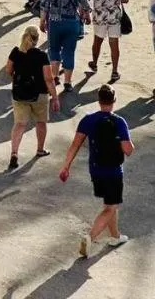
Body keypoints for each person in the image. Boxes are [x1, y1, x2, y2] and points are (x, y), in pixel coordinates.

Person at [59, 84, 134, 256]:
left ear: (98, 100)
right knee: (110, 207)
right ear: (114, 101)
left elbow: (75, 144)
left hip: (96, 170)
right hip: (114, 171)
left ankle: (115, 236)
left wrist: (66, 166)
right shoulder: (119, 122)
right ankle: (90, 237)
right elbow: (128, 150)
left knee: (110, 205)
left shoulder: (88, 120)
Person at [6, 25, 59, 169]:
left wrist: (17, 79)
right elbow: (48, 79)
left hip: (19, 94)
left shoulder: (16, 52)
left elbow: (8, 70)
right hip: (39, 94)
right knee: (41, 122)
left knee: (19, 124)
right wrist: (55, 97)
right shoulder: (42, 55)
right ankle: (40, 149)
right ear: (37, 39)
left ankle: (14, 153)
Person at [40, 0, 91, 92]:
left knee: (54, 49)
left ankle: (55, 77)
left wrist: (42, 21)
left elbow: (45, 4)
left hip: (55, 22)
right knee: (69, 52)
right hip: (72, 22)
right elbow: (85, 4)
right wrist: (87, 16)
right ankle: (67, 82)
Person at [87, 0, 129, 84]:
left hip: (99, 18)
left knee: (97, 42)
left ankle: (94, 64)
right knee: (114, 45)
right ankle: (114, 71)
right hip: (114, 19)